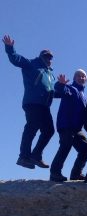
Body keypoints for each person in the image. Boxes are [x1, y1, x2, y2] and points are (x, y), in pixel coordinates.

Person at [3, 35, 55, 169]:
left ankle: (36, 155)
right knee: (32, 127)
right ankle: (23, 157)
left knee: (49, 130)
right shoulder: (31, 64)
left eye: (50, 57)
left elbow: (53, 91)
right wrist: (10, 48)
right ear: (41, 56)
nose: (48, 59)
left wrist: (64, 90)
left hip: (44, 106)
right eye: (46, 56)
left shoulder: (50, 74)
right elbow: (16, 59)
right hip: (32, 102)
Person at [50, 70, 87, 182]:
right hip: (66, 125)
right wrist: (61, 84)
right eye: (79, 76)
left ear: (86, 79)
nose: (81, 78)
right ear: (74, 78)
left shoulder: (83, 94)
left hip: (77, 128)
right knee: (65, 146)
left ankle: (76, 174)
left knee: (86, 149)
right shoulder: (70, 88)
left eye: (84, 76)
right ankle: (55, 173)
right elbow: (60, 89)